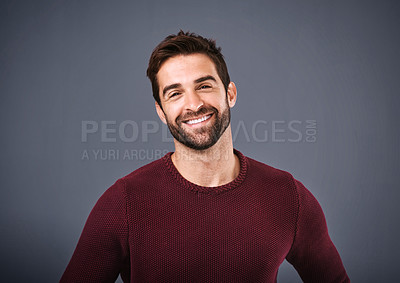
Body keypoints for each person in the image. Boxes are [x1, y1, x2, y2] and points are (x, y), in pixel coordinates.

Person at [61, 31, 350, 282]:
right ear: (161, 112)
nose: (194, 104)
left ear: (230, 94)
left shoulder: (288, 197)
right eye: (175, 94)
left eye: (204, 85)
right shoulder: (124, 203)